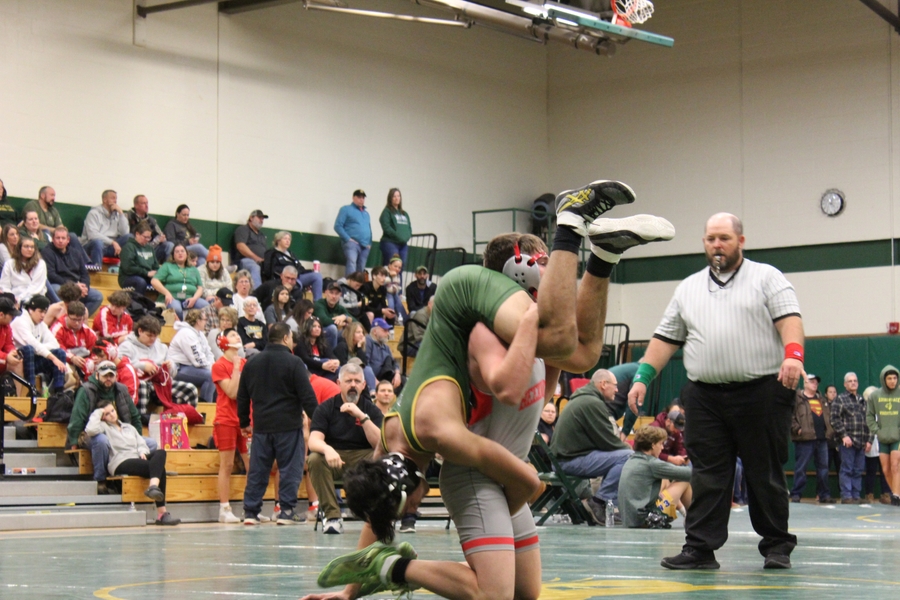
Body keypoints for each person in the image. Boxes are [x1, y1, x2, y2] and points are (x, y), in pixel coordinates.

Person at [307, 179, 675, 600]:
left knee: (571, 347)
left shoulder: (423, 431)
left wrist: (540, 313)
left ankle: (587, 240)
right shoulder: (413, 432)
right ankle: (592, 246)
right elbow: (517, 454)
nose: (414, 511)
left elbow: (521, 466)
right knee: (500, 594)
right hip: (485, 469)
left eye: (410, 505)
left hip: (470, 337)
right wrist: (350, 591)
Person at [628, 212, 803, 571]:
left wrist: (793, 356)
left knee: (764, 473)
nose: (717, 245)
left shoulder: (767, 277)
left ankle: (777, 546)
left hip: (761, 393)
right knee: (707, 474)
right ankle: (700, 549)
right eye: (710, 239)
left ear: (741, 241)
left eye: (724, 238)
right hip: (705, 397)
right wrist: (643, 376)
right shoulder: (688, 288)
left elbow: (790, 319)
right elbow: (665, 338)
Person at [237, 323, 319, 524]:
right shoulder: (294, 362)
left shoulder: (252, 363)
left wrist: (244, 421)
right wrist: (319, 423)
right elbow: (307, 397)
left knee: (258, 470)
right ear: (285, 338)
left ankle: (251, 512)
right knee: (290, 469)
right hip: (288, 426)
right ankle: (287, 511)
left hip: (261, 426)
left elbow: (242, 396)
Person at [308, 363, 384, 534]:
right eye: (348, 381)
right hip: (335, 459)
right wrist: (327, 449)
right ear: (339, 383)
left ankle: (377, 515)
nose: (353, 385)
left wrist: (362, 417)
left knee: (383, 458)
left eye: (357, 381)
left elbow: (381, 444)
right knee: (314, 458)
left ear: (363, 385)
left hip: (363, 460)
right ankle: (332, 517)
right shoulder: (325, 408)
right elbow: (313, 440)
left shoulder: (371, 410)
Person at [551, 368, 633, 523]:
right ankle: (599, 502)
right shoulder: (592, 403)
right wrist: (633, 453)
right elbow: (609, 442)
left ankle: (606, 504)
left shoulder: (584, 399)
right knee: (627, 457)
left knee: (624, 456)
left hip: (565, 459)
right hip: (568, 462)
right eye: (615, 385)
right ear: (603, 384)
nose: (617, 390)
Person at [84, 398, 180, 525]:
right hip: (120, 461)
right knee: (160, 469)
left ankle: (153, 487)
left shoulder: (129, 427)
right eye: (107, 414)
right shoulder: (103, 427)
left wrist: (142, 451)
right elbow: (90, 430)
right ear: (103, 417)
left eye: (112, 410)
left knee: (161, 452)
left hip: (136, 457)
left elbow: (141, 443)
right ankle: (161, 512)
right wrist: (98, 412)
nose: (111, 414)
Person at [67, 360, 158, 492]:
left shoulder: (122, 390)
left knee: (151, 444)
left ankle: (132, 470)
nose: (108, 378)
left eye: (111, 375)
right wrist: (74, 442)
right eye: (105, 375)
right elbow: (77, 417)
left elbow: (135, 416)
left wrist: (137, 438)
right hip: (91, 433)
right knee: (101, 440)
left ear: (116, 376)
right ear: (97, 375)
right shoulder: (86, 390)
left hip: (119, 432)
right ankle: (101, 479)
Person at [118, 316, 200, 419]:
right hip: (140, 384)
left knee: (190, 389)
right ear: (140, 331)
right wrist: (142, 366)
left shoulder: (162, 347)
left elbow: (172, 373)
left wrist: (170, 366)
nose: (152, 339)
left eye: (155, 336)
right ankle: (139, 421)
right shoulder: (126, 346)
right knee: (142, 385)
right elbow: (121, 365)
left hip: (160, 385)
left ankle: (185, 421)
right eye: (149, 335)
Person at [211, 328, 251, 523]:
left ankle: (251, 507)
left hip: (245, 419)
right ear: (223, 341)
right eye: (233, 334)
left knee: (252, 465)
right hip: (226, 419)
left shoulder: (246, 364)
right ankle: (224, 508)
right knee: (227, 465)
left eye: (238, 334)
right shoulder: (218, 365)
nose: (238, 336)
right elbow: (232, 392)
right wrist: (236, 368)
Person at [618, 425, 693, 529]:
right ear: (653, 445)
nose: (662, 448)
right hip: (646, 519)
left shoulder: (631, 460)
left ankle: (688, 515)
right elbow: (689, 474)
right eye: (661, 444)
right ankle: (694, 518)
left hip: (630, 519)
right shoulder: (651, 463)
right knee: (684, 481)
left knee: (665, 479)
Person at [790, 373, 835, 503]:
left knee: (823, 468)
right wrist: (797, 429)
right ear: (805, 383)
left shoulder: (822, 400)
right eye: (812, 381)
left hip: (822, 439)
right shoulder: (797, 399)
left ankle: (824, 495)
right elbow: (790, 416)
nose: (815, 384)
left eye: (816, 382)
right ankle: (796, 494)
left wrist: (830, 430)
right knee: (801, 468)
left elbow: (829, 417)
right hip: (804, 439)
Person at [22, 187, 95, 266]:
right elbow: (35, 224)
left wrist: (61, 230)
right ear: (42, 195)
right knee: (46, 232)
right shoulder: (32, 205)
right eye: (52, 195)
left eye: (54, 196)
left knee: (72, 236)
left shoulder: (53, 210)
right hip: (42, 235)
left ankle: (86, 263)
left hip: (55, 235)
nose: (53, 198)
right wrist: (54, 230)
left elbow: (61, 227)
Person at [11, 294, 67, 393]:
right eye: (40, 311)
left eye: (45, 312)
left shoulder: (41, 324)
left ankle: (59, 391)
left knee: (60, 352)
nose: (43, 315)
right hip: (19, 360)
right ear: (31, 310)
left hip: (33, 360)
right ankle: (31, 388)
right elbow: (32, 344)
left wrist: (39, 349)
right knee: (29, 349)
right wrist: (52, 357)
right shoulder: (20, 321)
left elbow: (55, 344)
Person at [41, 226, 103, 315]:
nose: (60, 241)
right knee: (55, 289)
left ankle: (78, 317)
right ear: (53, 239)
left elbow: (84, 273)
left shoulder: (76, 252)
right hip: (60, 284)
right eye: (58, 238)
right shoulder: (47, 252)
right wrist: (74, 286)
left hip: (77, 285)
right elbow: (51, 275)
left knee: (97, 296)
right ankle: (65, 316)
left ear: (68, 240)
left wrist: (85, 287)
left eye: (63, 238)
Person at [831, 371, 871, 504]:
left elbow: (869, 421)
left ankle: (856, 495)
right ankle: (846, 496)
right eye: (850, 381)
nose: (853, 383)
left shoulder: (863, 401)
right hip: (847, 442)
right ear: (845, 384)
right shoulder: (840, 399)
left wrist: (869, 440)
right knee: (847, 469)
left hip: (861, 441)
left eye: (855, 381)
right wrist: (844, 436)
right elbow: (834, 419)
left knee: (858, 470)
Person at [866, 365, 900, 506]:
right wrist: (877, 431)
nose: (892, 381)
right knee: (886, 469)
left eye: (895, 378)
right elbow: (869, 416)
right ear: (883, 380)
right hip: (883, 438)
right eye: (889, 378)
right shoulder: (875, 396)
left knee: (895, 465)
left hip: (898, 438)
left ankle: (896, 496)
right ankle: (896, 492)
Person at [167, 309, 216, 402]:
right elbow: (198, 361)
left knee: (217, 375)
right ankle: (205, 405)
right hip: (179, 368)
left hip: (192, 367)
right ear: (198, 321)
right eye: (205, 320)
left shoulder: (199, 333)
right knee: (212, 376)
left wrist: (213, 366)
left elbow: (208, 352)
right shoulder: (186, 333)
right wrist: (213, 370)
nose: (206, 322)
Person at [151, 243, 208, 321]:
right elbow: (154, 281)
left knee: (206, 306)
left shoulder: (193, 269)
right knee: (176, 309)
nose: (180, 253)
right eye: (177, 251)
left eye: (182, 251)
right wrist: (167, 293)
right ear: (173, 255)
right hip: (173, 298)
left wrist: (194, 298)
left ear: (187, 254)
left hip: (190, 298)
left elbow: (200, 288)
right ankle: (180, 327)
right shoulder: (167, 266)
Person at [261, 230, 323, 300]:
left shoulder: (291, 254)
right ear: (278, 240)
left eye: (289, 239)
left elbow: (300, 267)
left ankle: (318, 303)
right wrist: (289, 274)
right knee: (296, 283)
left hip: (297, 276)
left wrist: (310, 271)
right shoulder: (272, 253)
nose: (288, 241)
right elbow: (270, 270)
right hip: (285, 278)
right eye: (285, 239)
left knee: (317, 276)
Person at [50, 300, 98, 386]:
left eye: (80, 320)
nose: (77, 323)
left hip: (83, 361)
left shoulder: (89, 332)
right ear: (67, 315)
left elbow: (95, 350)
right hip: (63, 360)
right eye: (74, 319)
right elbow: (57, 349)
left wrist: (93, 359)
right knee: (70, 376)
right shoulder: (57, 329)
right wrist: (72, 358)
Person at [81, 190, 131, 267]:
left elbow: (125, 233)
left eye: (116, 198)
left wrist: (121, 214)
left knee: (130, 237)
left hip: (111, 247)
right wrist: (112, 242)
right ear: (104, 199)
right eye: (112, 198)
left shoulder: (117, 214)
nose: (115, 201)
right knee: (98, 242)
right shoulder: (94, 213)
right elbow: (92, 235)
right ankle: (96, 270)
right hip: (93, 245)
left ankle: (125, 270)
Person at [0, 237, 50, 304]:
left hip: (34, 298)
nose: (29, 249)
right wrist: (11, 299)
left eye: (32, 247)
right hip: (13, 298)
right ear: (19, 248)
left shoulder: (40, 264)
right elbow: (4, 285)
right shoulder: (9, 263)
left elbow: (36, 287)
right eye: (26, 246)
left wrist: (19, 299)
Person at [334, 189, 372, 275]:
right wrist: (348, 239)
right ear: (353, 198)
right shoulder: (346, 209)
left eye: (363, 198)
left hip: (365, 245)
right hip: (352, 243)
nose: (361, 199)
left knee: (361, 268)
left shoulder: (366, 214)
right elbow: (338, 226)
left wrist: (369, 243)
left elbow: (369, 229)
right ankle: (349, 284)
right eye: (359, 197)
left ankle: (357, 284)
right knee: (352, 263)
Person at [126, 194, 172, 263]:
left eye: (147, 203)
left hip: (151, 248)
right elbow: (129, 237)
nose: (146, 205)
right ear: (136, 205)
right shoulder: (128, 217)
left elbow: (161, 235)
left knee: (169, 245)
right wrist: (156, 241)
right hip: (136, 249)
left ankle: (167, 267)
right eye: (143, 203)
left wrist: (160, 239)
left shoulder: (151, 220)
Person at [117, 222, 160, 295]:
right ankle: (137, 302)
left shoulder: (150, 248)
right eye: (145, 237)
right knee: (140, 282)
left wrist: (158, 273)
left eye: (149, 237)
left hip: (147, 276)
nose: (147, 240)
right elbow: (128, 267)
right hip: (129, 277)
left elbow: (155, 266)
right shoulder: (128, 247)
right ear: (137, 234)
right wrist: (146, 273)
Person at [296, 316, 340, 382]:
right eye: (314, 326)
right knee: (326, 360)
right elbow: (305, 359)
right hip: (309, 371)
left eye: (319, 327)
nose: (317, 329)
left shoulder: (322, 343)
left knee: (338, 370)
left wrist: (336, 361)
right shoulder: (301, 342)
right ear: (307, 327)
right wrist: (322, 365)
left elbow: (331, 355)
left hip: (323, 371)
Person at [336, 321, 377, 391]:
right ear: (351, 334)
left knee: (368, 369)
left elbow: (364, 364)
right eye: (358, 332)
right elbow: (342, 366)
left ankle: (372, 393)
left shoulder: (358, 347)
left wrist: (359, 347)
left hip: (356, 373)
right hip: (344, 374)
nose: (362, 335)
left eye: (362, 332)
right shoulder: (342, 346)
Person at [232, 209, 269, 288]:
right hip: (245, 260)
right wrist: (256, 258)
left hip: (261, 262)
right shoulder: (243, 229)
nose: (261, 220)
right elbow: (240, 246)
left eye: (262, 219)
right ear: (251, 218)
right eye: (259, 218)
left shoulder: (261, 235)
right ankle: (257, 292)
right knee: (255, 267)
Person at [314, 282, 353, 350]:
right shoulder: (319, 304)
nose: (334, 296)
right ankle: (332, 354)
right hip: (319, 332)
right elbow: (324, 321)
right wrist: (340, 323)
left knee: (351, 330)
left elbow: (355, 321)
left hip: (334, 334)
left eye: (336, 294)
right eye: (331, 293)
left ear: (340, 295)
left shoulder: (340, 308)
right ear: (326, 293)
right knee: (332, 329)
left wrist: (345, 317)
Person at [378, 187, 411, 266]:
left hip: (403, 244)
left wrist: (406, 237)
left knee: (401, 265)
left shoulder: (404, 213)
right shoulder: (387, 212)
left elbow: (409, 228)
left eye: (398, 196)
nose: (397, 198)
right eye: (394, 196)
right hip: (390, 242)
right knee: (393, 264)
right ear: (390, 198)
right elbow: (386, 227)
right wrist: (397, 236)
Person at [0, 297, 25, 384]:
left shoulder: (6, 326)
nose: (13, 317)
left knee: (17, 363)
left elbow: (8, 344)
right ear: (1, 314)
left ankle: (16, 393)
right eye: (11, 315)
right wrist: (6, 357)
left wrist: (13, 353)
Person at [384, 257, 408, 324]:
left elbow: (397, 285)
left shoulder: (397, 275)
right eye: (395, 266)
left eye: (399, 268)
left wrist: (396, 290)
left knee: (399, 303)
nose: (397, 269)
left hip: (393, 292)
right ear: (389, 265)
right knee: (391, 303)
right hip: (385, 292)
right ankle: (390, 320)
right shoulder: (383, 272)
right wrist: (389, 275)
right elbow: (383, 283)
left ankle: (402, 319)